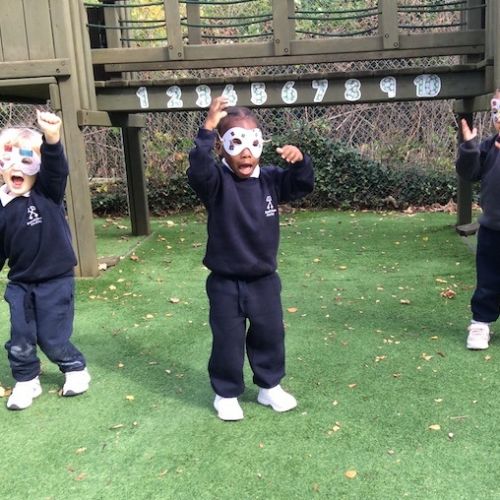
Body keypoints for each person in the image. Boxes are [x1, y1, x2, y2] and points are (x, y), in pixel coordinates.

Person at [187, 96, 314, 420]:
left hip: (264, 280)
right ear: (221, 148)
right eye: (236, 143)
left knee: (270, 334)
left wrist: (300, 162)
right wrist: (208, 128)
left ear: (260, 144)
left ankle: (269, 386)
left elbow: (302, 184)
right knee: (227, 340)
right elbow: (198, 170)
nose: (246, 152)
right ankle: (226, 392)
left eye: (253, 143)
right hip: (225, 282)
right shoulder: (216, 182)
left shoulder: (270, 179)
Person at [0, 110, 90, 410]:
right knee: (21, 337)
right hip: (20, 283)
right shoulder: (2, 204)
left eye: (25, 161)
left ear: (36, 168)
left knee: (52, 337)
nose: (16, 168)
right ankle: (26, 379)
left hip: (56, 281)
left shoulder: (47, 193)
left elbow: (56, 169)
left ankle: (74, 367)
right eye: (8, 161)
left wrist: (52, 139)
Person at [456, 89, 500, 350]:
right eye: (496, 112)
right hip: (492, 230)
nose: (498, 118)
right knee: (488, 280)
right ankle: (481, 323)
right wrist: (470, 147)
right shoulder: (487, 148)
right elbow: (468, 172)